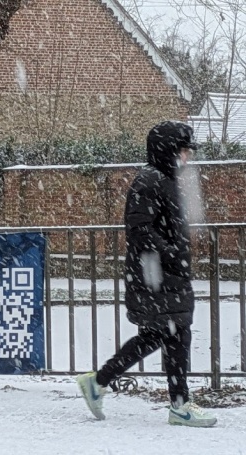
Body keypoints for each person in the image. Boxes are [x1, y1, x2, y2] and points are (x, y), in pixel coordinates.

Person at [77, 120, 217, 428]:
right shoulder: (150, 181)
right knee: (169, 332)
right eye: (183, 151)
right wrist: (171, 254)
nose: (187, 157)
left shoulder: (164, 179)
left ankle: (103, 383)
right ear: (168, 151)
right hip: (156, 274)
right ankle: (176, 404)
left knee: (167, 333)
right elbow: (139, 230)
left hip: (166, 274)